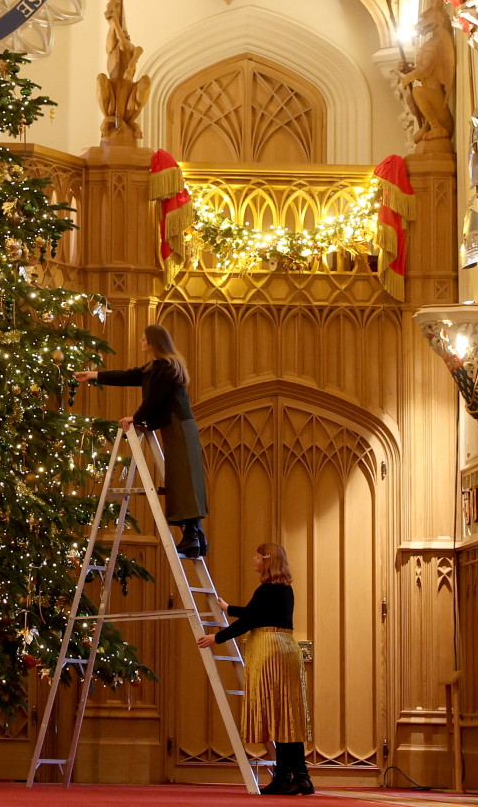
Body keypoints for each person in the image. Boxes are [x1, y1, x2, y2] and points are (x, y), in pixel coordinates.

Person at [75, 325, 209, 557]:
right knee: (181, 479)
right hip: (174, 426)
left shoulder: (167, 367)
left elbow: (155, 398)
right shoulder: (155, 367)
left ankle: (193, 537)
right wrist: (94, 375)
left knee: (183, 480)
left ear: (154, 342)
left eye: (144, 338)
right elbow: (129, 375)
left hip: (179, 425)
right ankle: (195, 537)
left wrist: (135, 418)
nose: (140, 340)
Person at [198, 543, 311, 795]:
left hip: (269, 652)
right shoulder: (285, 589)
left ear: (267, 560)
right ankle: (292, 776)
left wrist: (217, 638)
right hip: (287, 650)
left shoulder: (265, 589)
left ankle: (294, 776)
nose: (254, 559)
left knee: (276, 716)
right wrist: (229, 609)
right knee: (286, 717)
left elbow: (250, 620)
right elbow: (255, 613)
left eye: (258, 556)